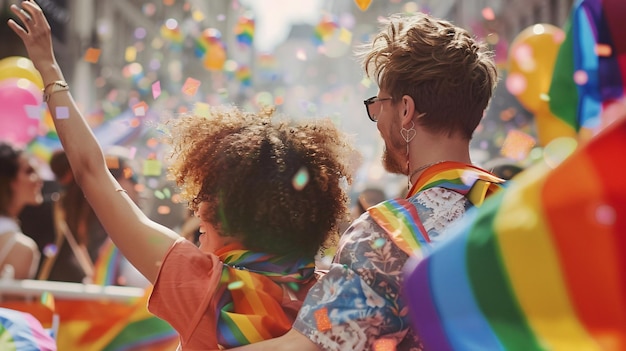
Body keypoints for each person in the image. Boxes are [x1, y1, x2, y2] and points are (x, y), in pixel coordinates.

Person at [9, 2, 353, 350]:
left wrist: (50, 71)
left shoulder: (203, 285)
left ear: (236, 214)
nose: (197, 208)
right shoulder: (334, 299)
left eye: (208, 196)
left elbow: (91, 172)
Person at [231, 12, 504, 351]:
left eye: (379, 105)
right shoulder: (520, 208)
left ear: (406, 110)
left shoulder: (391, 233)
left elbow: (305, 347)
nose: (376, 120)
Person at [0, 141, 42, 280]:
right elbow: (14, 302)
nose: (39, 179)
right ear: (9, 180)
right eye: (29, 171)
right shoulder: (21, 248)